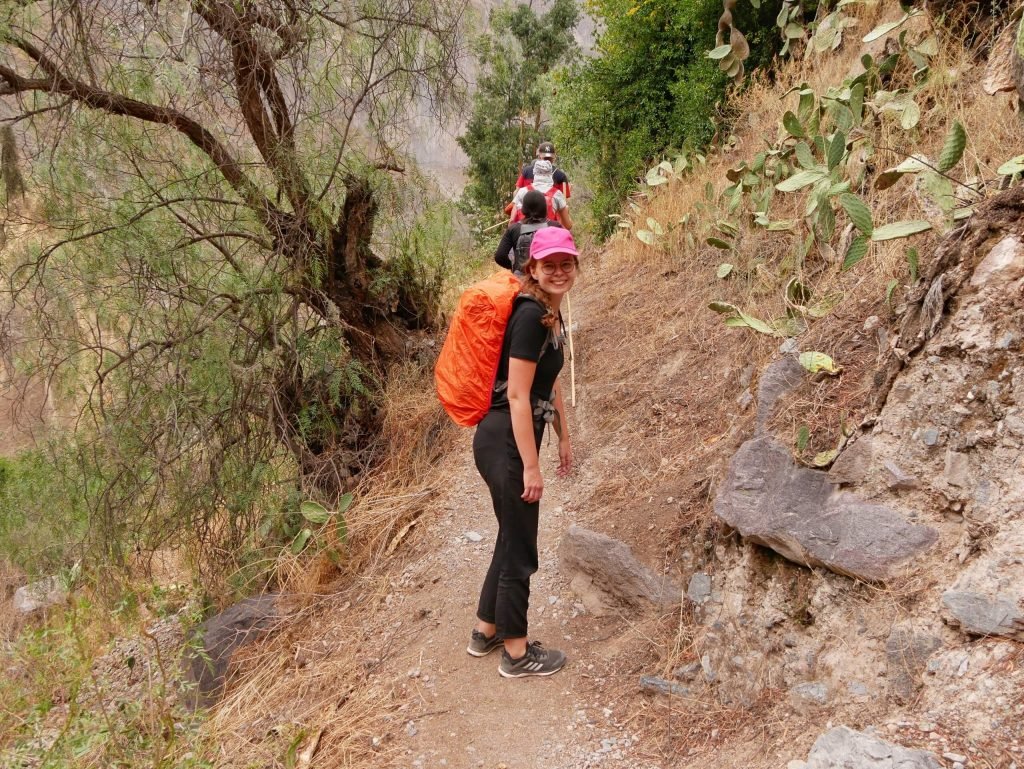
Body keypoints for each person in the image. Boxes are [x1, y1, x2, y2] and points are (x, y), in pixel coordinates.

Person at [467, 226, 578, 678]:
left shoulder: (550, 313)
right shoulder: (531, 316)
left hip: (505, 439)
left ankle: (486, 629)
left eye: (565, 263)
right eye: (548, 264)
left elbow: (547, 383)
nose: (558, 271)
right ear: (531, 267)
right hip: (507, 442)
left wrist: (564, 435)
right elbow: (516, 395)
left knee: (510, 534)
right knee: (520, 546)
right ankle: (516, 653)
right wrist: (531, 465)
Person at [494, 190, 561, 276]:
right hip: (548, 275)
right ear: (544, 207)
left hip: (523, 278)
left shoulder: (514, 229)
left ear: (523, 208)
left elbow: (500, 256)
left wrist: (514, 267)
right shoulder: (555, 226)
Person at [509, 159, 572, 230]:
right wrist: (566, 210)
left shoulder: (522, 191)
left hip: (525, 236)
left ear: (534, 172)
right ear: (550, 173)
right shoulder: (557, 194)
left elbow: (511, 221)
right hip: (548, 237)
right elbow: (568, 226)